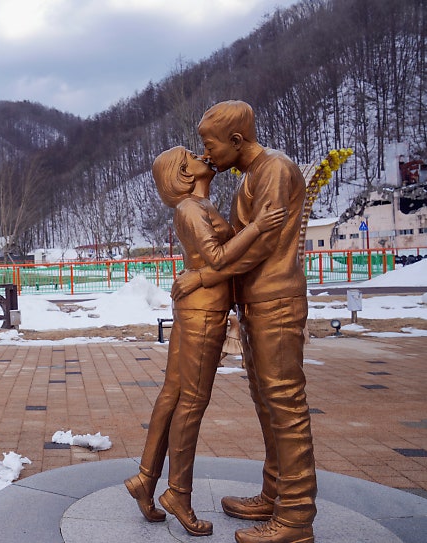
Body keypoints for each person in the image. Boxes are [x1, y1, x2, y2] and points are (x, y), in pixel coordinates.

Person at [173, 100, 317, 543]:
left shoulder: (274, 169)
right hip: (254, 303)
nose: (207, 153)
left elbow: (260, 245)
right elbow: (240, 240)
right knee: (267, 402)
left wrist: (203, 274)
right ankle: (274, 493)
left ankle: (295, 516)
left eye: (209, 143)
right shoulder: (254, 176)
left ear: (236, 140)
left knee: (286, 404)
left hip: (275, 300)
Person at [124, 146, 286, 537]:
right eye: (193, 156)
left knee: (173, 393)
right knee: (191, 401)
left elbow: (210, 261)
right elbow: (215, 258)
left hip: (198, 304)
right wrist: (259, 227)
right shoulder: (190, 209)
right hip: (204, 310)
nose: (204, 158)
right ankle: (178, 492)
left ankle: (146, 479)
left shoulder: (198, 206)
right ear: (184, 172)